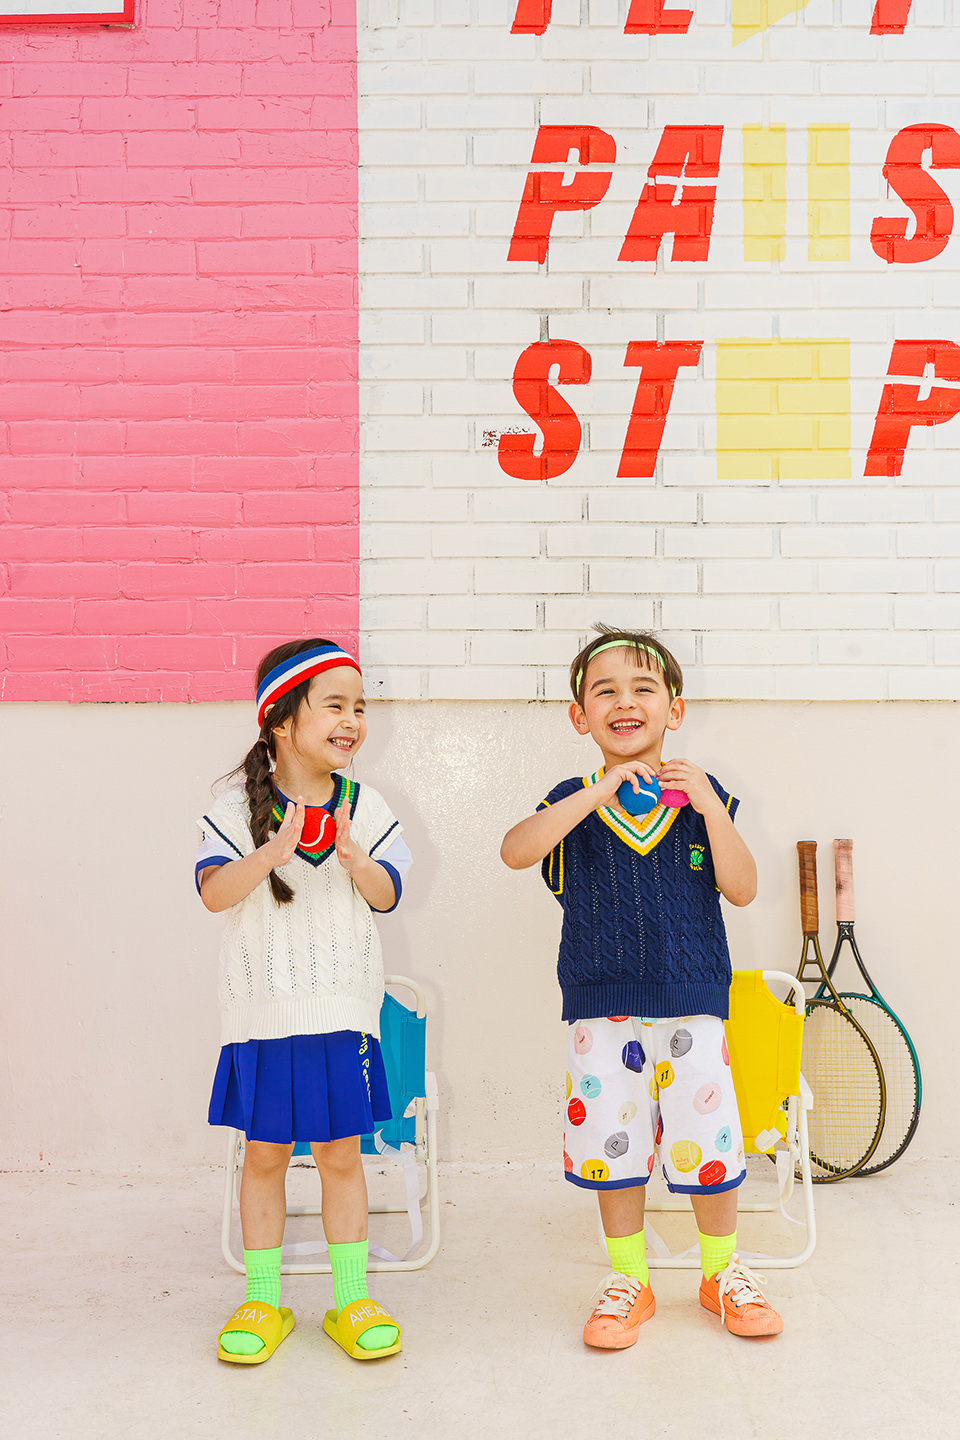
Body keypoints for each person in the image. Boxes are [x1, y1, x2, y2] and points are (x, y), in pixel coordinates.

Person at [500, 626, 783, 1349]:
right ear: (580, 716)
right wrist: (594, 795)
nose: (625, 702)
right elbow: (516, 849)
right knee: (611, 1146)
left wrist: (712, 809)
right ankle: (631, 1279)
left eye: (643, 688)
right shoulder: (572, 801)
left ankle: (721, 1272)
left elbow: (743, 890)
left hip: (693, 1004)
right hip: (602, 1008)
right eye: (605, 691)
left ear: (674, 709)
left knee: (710, 1144)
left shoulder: (703, 795)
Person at [196, 638, 411, 1365]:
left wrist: (356, 859)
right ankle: (263, 1300)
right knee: (262, 1157)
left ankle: (350, 1299)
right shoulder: (234, 807)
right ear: (282, 720)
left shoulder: (367, 805)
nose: (353, 720)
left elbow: (385, 896)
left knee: (341, 1156)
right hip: (262, 1016)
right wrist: (268, 854)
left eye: (360, 706)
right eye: (336, 705)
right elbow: (213, 894)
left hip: (342, 1015)